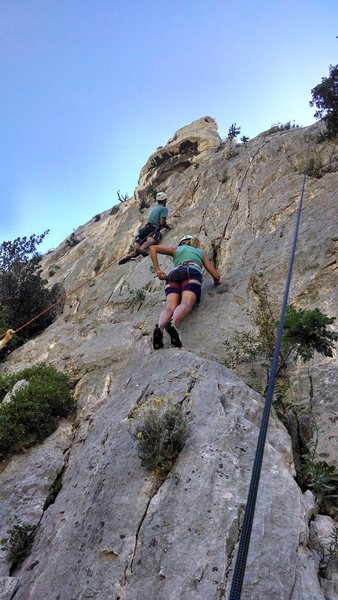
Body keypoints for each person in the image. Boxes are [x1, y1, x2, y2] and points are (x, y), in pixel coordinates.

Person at [149, 235, 221, 349]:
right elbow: (216, 276)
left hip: (173, 274)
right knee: (186, 304)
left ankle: (160, 327)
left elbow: (153, 248)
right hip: (191, 272)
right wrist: (217, 282)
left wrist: (158, 269)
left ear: (181, 243)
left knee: (169, 307)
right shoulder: (200, 253)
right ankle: (172, 323)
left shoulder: (176, 249)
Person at [118, 192, 171, 265]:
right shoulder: (164, 209)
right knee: (151, 240)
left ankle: (129, 256)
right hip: (153, 228)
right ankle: (142, 249)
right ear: (165, 200)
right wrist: (168, 227)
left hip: (146, 227)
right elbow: (162, 222)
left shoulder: (154, 208)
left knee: (138, 244)